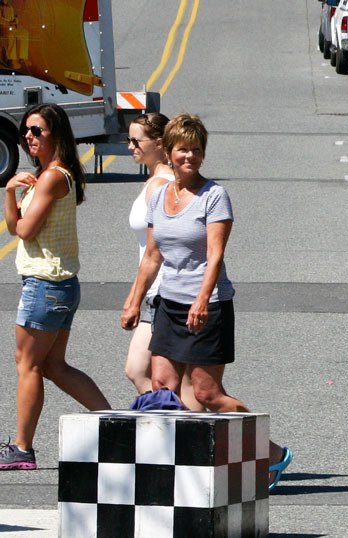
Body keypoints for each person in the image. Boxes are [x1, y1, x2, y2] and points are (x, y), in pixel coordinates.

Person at [120, 113, 292, 491]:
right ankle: (181, 467)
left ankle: (272, 452)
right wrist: (134, 300)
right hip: (168, 303)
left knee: (206, 394)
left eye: (197, 150)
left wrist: (201, 300)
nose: (190, 157)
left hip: (208, 305)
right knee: (162, 387)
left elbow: (215, 257)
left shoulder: (214, 196)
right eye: (183, 149)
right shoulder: (160, 195)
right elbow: (152, 255)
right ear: (169, 151)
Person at [1, 103, 111, 470]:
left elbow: (24, 230)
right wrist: (11, 192)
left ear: (56, 134)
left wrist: (10, 193)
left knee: (28, 364)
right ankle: (115, 422)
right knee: (53, 365)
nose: (29, 137)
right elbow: (18, 228)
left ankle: (22, 449)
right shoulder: (51, 174)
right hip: (59, 285)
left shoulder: (52, 177)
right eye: (26, 131)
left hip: (45, 285)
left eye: (38, 131)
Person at [124, 112, 202, 411]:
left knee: (146, 372)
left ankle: (184, 426)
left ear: (159, 143)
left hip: (164, 291)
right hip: (156, 290)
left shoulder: (160, 185)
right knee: (174, 380)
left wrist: (136, 296)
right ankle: (183, 426)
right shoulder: (156, 181)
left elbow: (160, 249)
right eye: (129, 140)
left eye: (136, 141)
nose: (130, 146)